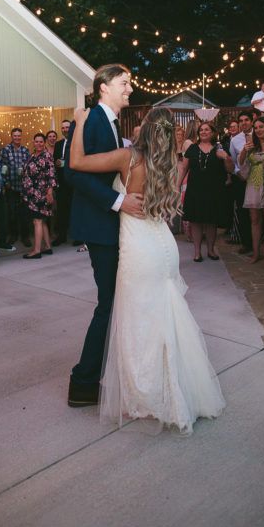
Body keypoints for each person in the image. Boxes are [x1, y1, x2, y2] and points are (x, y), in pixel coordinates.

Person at [70, 105, 225, 433]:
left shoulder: (128, 157)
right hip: (163, 246)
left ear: (145, 127)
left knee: (139, 318)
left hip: (139, 248)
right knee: (166, 314)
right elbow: (168, 205)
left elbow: (77, 163)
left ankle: (148, 392)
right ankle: (174, 388)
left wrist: (80, 123)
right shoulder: (174, 162)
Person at [65, 63, 147, 408]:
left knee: (112, 302)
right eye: (123, 83)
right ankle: (83, 382)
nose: (129, 88)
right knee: (108, 303)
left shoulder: (112, 124)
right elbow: (74, 174)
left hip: (109, 225)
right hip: (100, 226)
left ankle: (97, 375)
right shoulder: (92, 121)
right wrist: (119, 201)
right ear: (103, 87)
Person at [180, 122, 234, 261]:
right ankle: (197, 252)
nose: (203, 132)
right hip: (195, 190)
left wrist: (226, 157)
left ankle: (211, 250)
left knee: (211, 221)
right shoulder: (192, 148)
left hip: (213, 191)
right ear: (198, 133)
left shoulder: (219, 148)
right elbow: (184, 168)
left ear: (212, 132)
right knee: (196, 221)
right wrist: (177, 185)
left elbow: (230, 169)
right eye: (201, 130)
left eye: (207, 130)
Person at [238, 116, 264, 264]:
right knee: (254, 220)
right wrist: (244, 150)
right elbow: (241, 162)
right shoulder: (252, 146)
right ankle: (256, 253)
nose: (258, 130)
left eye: (261, 127)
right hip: (253, 183)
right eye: (256, 128)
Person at [21, 133, 57, 258]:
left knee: (37, 221)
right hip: (31, 194)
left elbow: (51, 175)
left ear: (44, 142)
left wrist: (50, 192)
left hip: (41, 193)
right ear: (33, 142)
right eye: (36, 141)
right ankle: (47, 247)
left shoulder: (47, 156)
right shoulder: (32, 155)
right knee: (42, 221)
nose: (39, 144)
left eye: (41, 142)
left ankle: (36, 251)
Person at [229, 111, 255, 254]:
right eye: (241, 120)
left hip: (259, 178)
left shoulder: (259, 135)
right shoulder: (235, 140)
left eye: (246, 120)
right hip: (242, 179)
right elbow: (233, 162)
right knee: (243, 211)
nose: (244, 123)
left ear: (252, 121)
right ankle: (247, 243)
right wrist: (238, 173)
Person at [1, 128, 31, 247]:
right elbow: (3, 168)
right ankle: (13, 235)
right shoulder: (5, 150)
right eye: (15, 136)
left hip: (23, 187)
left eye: (19, 136)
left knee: (24, 213)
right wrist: (6, 182)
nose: (17, 138)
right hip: (11, 187)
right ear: (11, 136)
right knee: (12, 213)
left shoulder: (25, 150)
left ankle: (25, 236)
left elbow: (29, 167)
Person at [52, 119, 72, 246]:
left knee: (74, 209)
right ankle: (62, 236)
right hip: (61, 183)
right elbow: (54, 161)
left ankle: (77, 236)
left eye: (67, 127)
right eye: (63, 128)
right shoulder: (58, 144)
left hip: (74, 182)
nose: (65, 130)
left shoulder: (77, 142)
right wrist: (56, 162)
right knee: (61, 211)